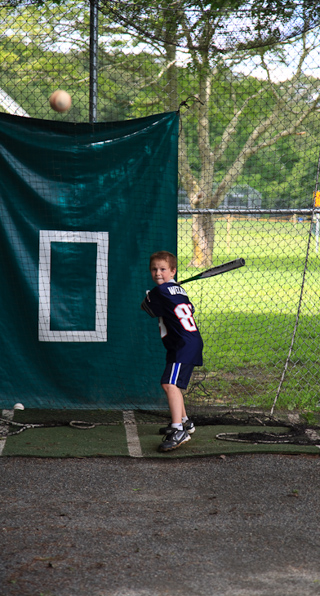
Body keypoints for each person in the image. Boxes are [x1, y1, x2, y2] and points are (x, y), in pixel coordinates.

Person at [141, 250, 203, 452]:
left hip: (183, 344)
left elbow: (148, 310)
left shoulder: (160, 291)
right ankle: (185, 422)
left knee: (169, 384)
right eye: (154, 269)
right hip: (184, 343)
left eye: (163, 269)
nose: (158, 273)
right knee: (171, 384)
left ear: (173, 271)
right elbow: (189, 309)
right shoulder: (180, 291)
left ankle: (178, 430)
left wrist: (149, 297)